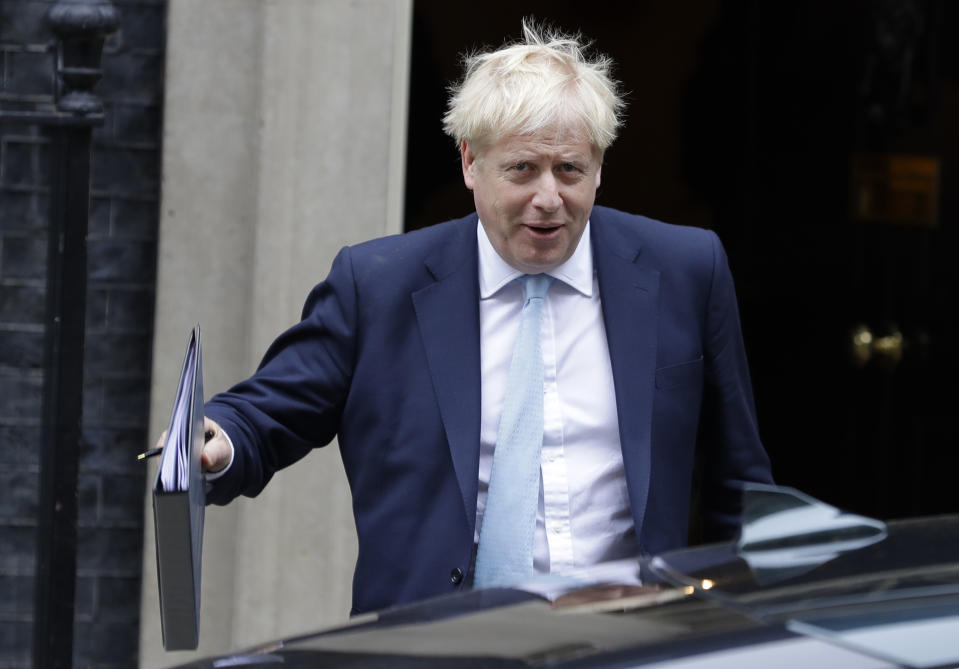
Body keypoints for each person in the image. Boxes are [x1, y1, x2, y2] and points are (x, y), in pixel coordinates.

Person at [188, 21, 772, 616]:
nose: (549, 197)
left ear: (599, 167)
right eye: (522, 169)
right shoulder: (379, 286)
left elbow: (741, 485)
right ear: (470, 162)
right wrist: (214, 441)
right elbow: (266, 414)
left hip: (625, 638)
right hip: (434, 644)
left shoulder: (685, 270)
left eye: (569, 169)